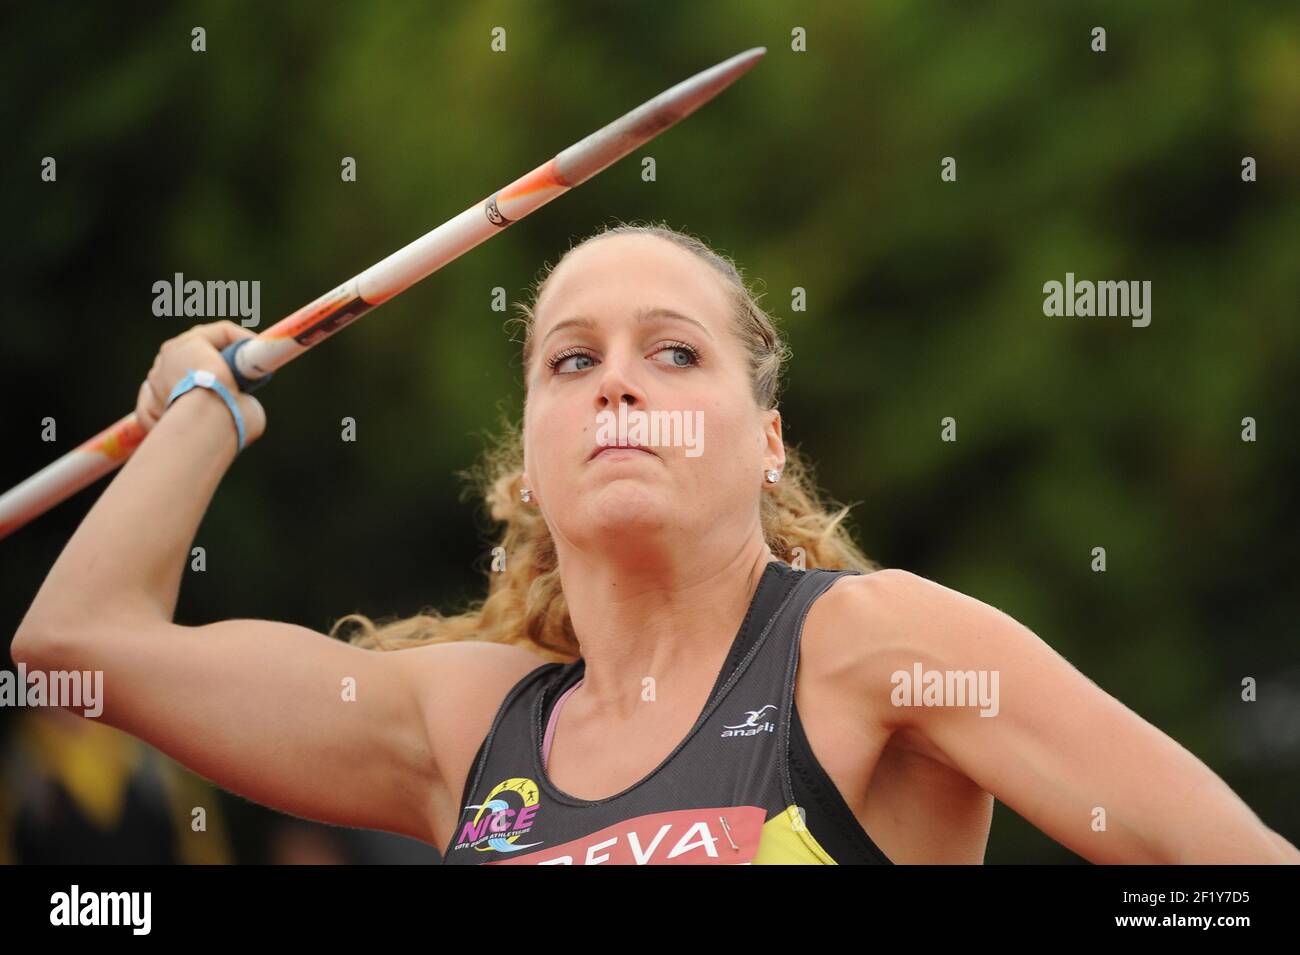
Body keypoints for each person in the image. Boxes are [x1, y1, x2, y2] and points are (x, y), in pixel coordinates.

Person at [13, 221, 1299, 865]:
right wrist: (203, 411)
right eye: (571, 361)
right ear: (529, 463)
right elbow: (76, 649)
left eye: (673, 353)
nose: (618, 382)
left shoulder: (874, 648)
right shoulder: (464, 728)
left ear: (766, 441)